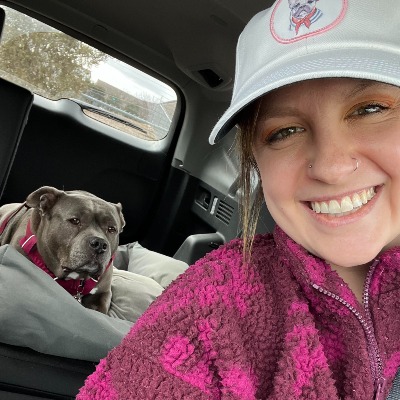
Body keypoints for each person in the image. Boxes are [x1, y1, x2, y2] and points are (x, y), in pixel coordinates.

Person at [77, 0, 400, 399]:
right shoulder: (211, 306)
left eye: (371, 109)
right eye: (284, 132)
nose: (331, 166)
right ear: (256, 161)